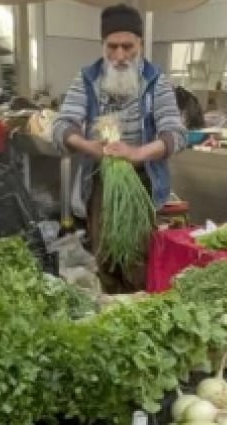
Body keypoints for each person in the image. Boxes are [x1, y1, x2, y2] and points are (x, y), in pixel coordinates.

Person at [51, 3, 187, 292]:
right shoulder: (88, 79)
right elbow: (62, 126)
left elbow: (175, 133)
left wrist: (137, 153)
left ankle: (138, 307)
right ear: (103, 44)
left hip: (141, 182)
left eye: (128, 47)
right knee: (105, 259)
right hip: (99, 182)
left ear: (140, 43)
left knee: (137, 261)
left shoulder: (155, 81)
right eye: (112, 47)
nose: (120, 56)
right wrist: (87, 145)